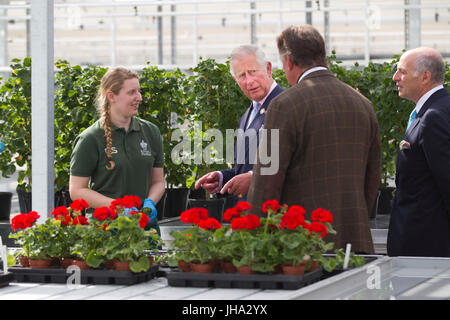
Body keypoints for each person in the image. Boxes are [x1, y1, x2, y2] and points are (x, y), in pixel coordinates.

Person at [247, 25, 381, 254]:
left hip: (302, 247)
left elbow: (266, 181)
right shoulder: (363, 104)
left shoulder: (283, 105)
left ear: (288, 60)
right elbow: (372, 178)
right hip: (356, 241)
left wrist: (253, 238)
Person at [69, 67, 165, 233]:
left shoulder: (150, 132)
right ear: (111, 96)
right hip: (106, 229)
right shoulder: (91, 138)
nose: (139, 98)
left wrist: (150, 203)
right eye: (132, 92)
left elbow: (157, 181)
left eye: (139, 91)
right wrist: (117, 207)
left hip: (144, 227)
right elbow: (77, 190)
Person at [194, 45, 283, 205]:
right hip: (249, 215)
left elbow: (289, 163)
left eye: (253, 71)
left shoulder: (285, 105)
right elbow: (245, 167)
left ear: (268, 68)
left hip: (274, 215)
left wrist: (252, 178)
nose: (249, 81)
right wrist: (222, 178)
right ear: (235, 80)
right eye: (242, 75)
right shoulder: (248, 115)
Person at [387, 47, 450, 257]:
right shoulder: (434, 110)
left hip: (426, 246)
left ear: (425, 77)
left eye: (402, 72)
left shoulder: (434, 117)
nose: (396, 77)